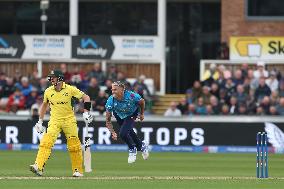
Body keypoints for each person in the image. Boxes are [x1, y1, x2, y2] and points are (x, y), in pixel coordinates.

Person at [29, 70, 93, 177]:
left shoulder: (70, 89)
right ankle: (38, 167)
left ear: (59, 78)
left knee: (74, 146)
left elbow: (86, 98)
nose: (51, 79)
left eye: (53, 77)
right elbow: (44, 106)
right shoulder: (48, 91)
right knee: (46, 142)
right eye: (51, 77)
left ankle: (77, 170)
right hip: (54, 120)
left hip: (69, 120)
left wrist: (86, 113)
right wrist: (40, 121)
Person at [105, 81, 149, 164]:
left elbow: (142, 102)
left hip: (132, 114)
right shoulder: (111, 100)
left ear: (122, 90)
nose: (113, 91)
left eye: (115, 89)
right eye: (112, 89)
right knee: (129, 131)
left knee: (123, 133)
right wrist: (112, 132)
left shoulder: (132, 96)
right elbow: (107, 120)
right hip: (119, 115)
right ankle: (142, 145)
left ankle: (132, 149)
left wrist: (142, 114)